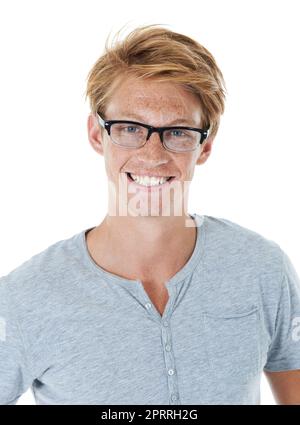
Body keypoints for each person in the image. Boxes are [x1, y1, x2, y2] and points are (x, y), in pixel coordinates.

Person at [0, 24, 300, 406]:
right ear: (97, 134)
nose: (153, 155)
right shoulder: (25, 297)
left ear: (204, 146)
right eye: (129, 128)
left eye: (177, 132)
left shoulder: (262, 268)